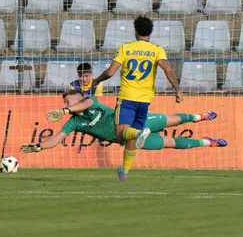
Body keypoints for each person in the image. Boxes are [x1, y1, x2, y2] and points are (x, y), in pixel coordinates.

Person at [21, 90, 226, 182]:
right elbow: (57, 139)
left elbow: (85, 104)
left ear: (78, 98)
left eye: (68, 100)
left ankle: (199, 116)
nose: (66, 103)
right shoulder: (75, 122)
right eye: (65, 102)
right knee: (169, 143)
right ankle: (208, 142)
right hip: (129, 139)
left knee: (171, 120)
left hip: (136, 122)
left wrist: (66, 110)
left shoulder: (90, 101)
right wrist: (39, 147)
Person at [91, 15, 183, 181]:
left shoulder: (126, 48)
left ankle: (141, 133)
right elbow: (168, 69)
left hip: (127, 98)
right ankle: (124, 171)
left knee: (120, 136)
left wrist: (97, 80)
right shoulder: (157, 50)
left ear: (135, 30)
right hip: (145, 100)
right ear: (151, 32)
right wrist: (177, 89)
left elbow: (110, 72)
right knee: (131, 136)